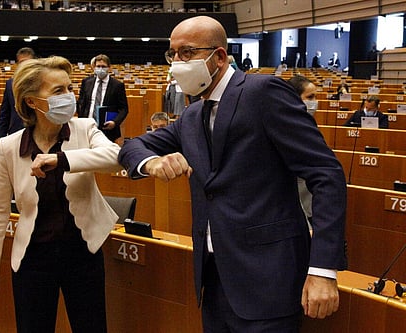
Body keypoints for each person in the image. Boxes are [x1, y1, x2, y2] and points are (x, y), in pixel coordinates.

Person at [119, 16, 347, 332]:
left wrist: (323, 268)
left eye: (187, 53)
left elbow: (326, 174)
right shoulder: (193, 114)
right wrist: (151, 163)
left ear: (220, 57)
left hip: (269, 279)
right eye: (172, 55)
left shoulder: (263, 92)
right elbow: (134, 147)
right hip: (214, 280)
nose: (176, 64)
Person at [0, 56, 122, 333]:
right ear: (32, 101)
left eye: (69, 88)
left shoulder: (85, 128)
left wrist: (62, 159)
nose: (69, 96)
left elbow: (115, 157)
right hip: (33, 256)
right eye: (58, 91)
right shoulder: (9, 147)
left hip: (82, 252)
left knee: (91, 327)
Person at [287, 75, 319, 227]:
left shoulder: (310, 126)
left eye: (315, 97)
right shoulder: (287, 132)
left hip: (311, 209)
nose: (314, 102)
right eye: (310, 97)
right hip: (296, 216)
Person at [77, 54, 129, 143]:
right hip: (87, 125)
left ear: (109, 67)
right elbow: (81, 103)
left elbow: (124, 109)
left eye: (103, 66)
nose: (100, 69)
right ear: (94, 67)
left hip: (107, 127)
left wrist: (115, 122)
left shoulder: (117, 85)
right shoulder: (86, 82)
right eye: (98, 66)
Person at [0, 47, 35, 143]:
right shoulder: (10, 84)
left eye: (27, 62)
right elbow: (4, 113)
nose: (24, 66)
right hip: (16, 133)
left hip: (39, 134)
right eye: (21, 63)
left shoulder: (43, 82)